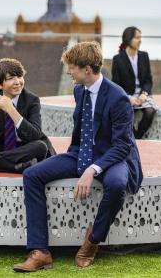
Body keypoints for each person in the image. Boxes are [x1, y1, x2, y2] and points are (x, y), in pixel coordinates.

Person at [13, 42, 143, 272]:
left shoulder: (118, 97)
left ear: (87, 69)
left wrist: (93, 169)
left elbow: (122, 145)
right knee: (32, 175)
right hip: (80, 153)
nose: (68, 72)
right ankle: (40, 251)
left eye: (71, 67)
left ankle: (93, 241)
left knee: (116, 184)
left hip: (112, 157)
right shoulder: (79, 90)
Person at [111, 26, 157, 139]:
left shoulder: (144, 56)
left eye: (140, 37)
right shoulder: (118, 59)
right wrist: (128, 97)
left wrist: (144, 94)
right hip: (126, 95)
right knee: (125, 112)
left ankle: (137, 137)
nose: (140, 40)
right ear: (128, 39)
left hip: (142, 94)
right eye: (137, 37)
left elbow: (148, 80)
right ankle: (132, 136)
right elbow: (116, 84)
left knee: (150, 111)